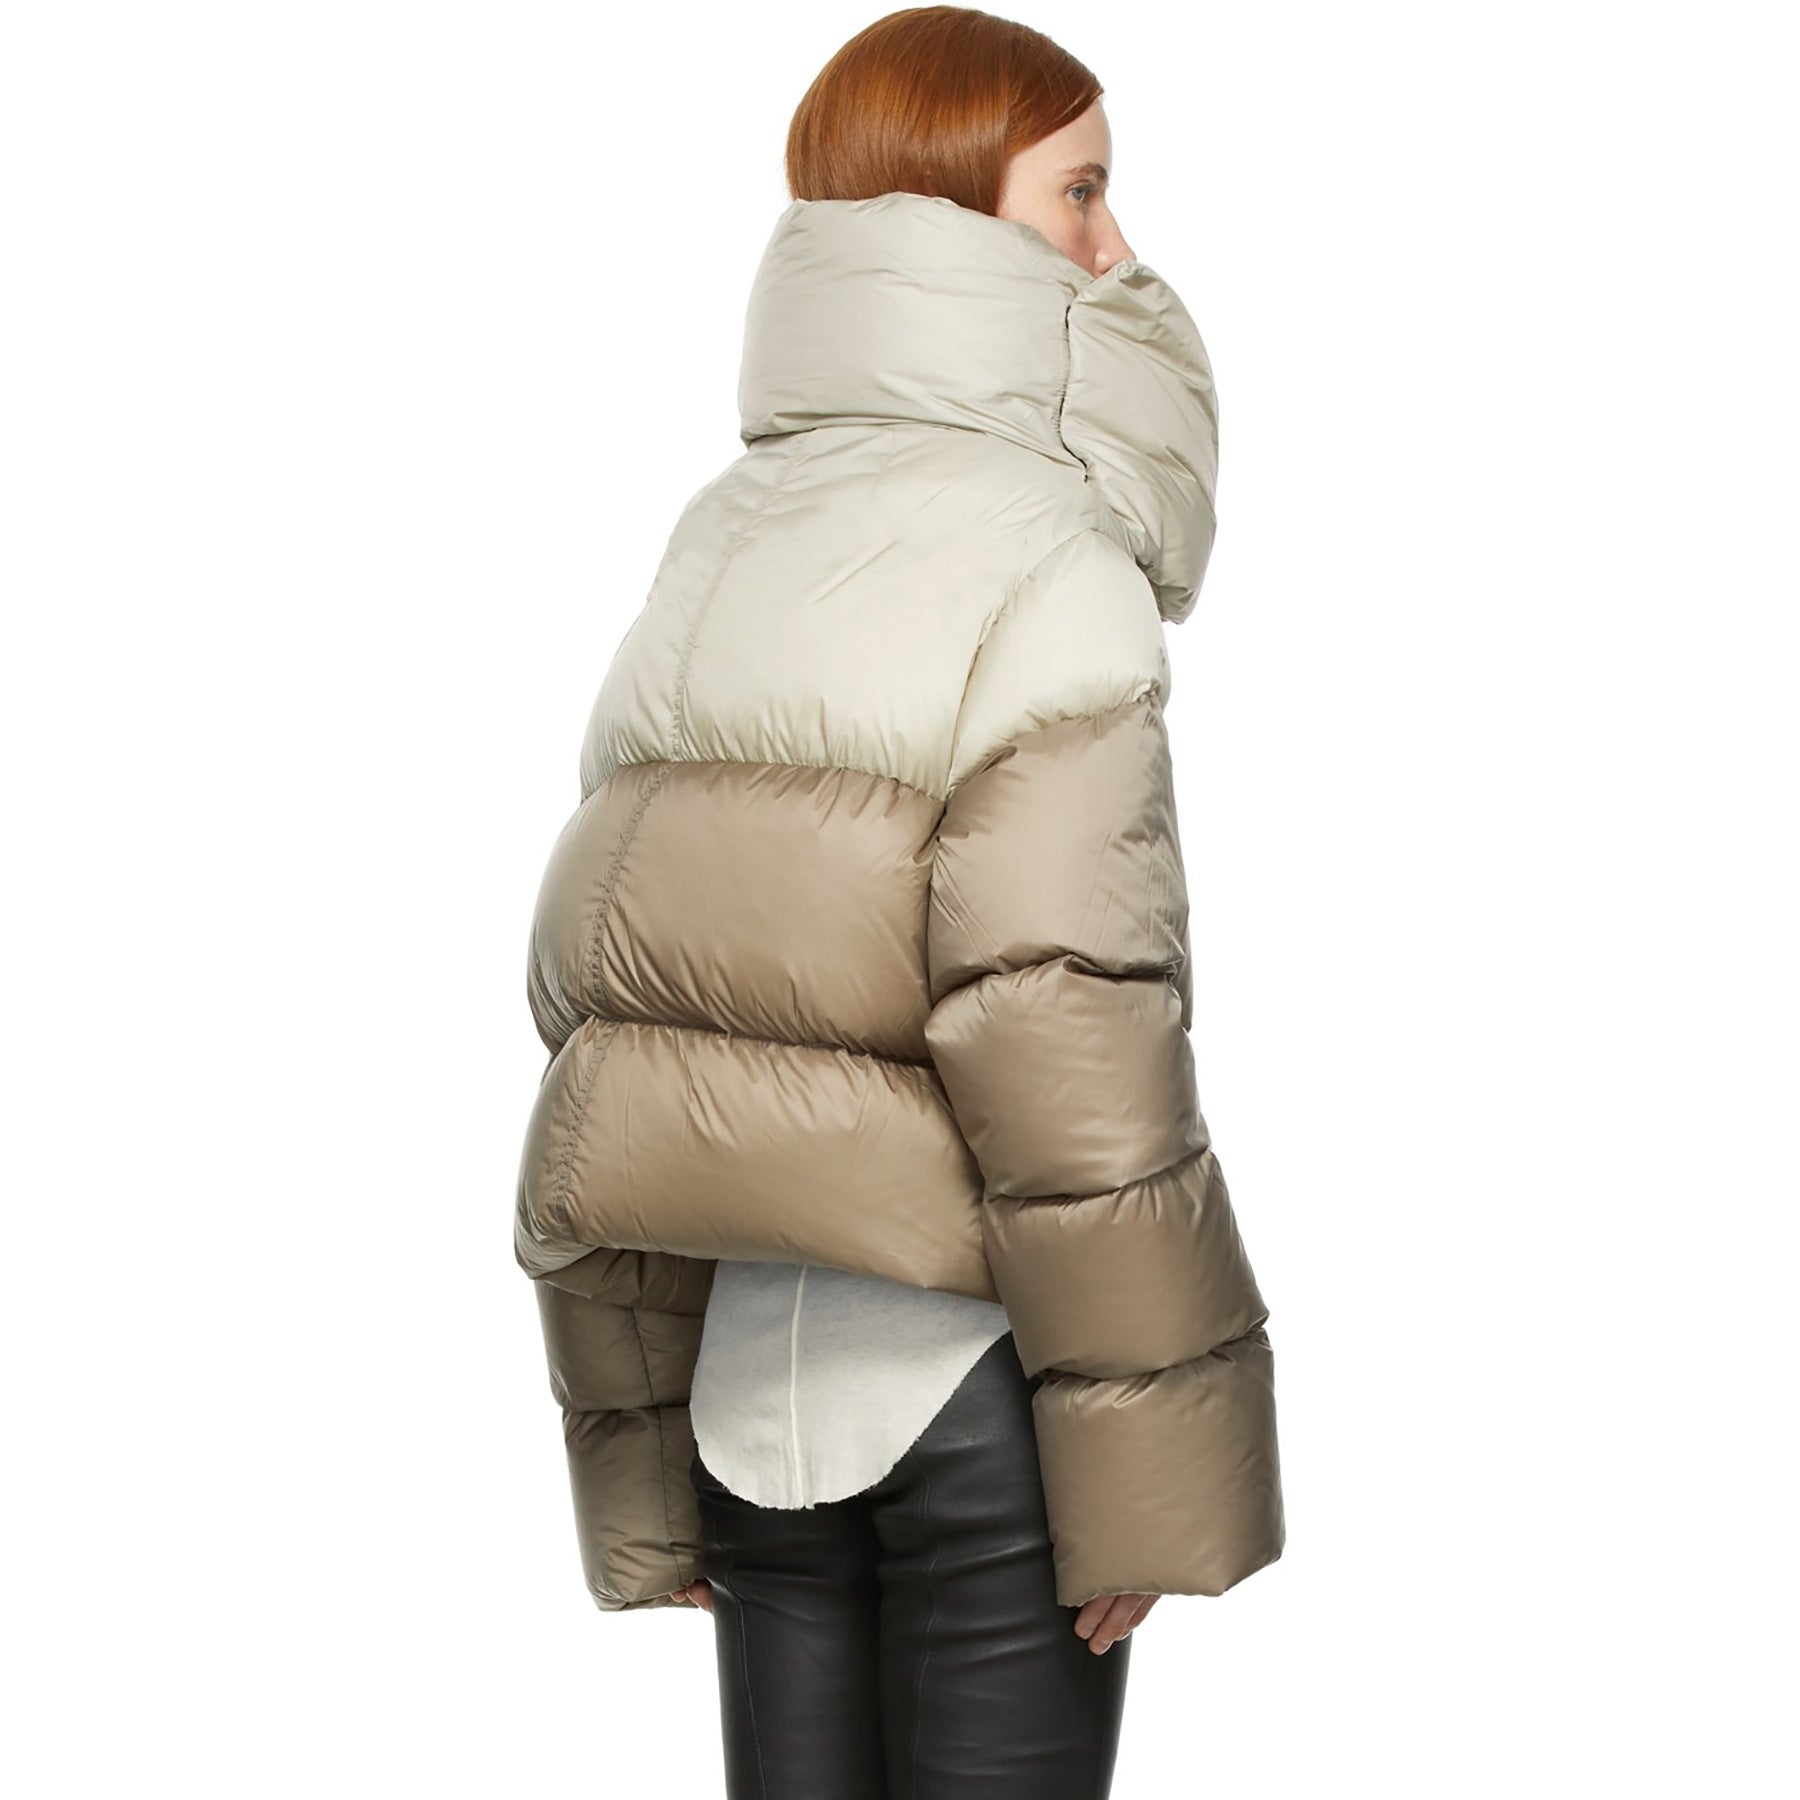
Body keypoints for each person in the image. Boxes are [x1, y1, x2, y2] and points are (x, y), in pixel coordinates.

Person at [512, 8, 1285, 1796]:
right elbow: (1065, 1016)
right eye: (1081, 192)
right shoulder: (1051, 559)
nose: (1119, 244)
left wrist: (639, 1443)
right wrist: (1153, 1471)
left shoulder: (724, 539)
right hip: (976, 1392)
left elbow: (613, 1026)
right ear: (950, 215)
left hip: (751, 1403)